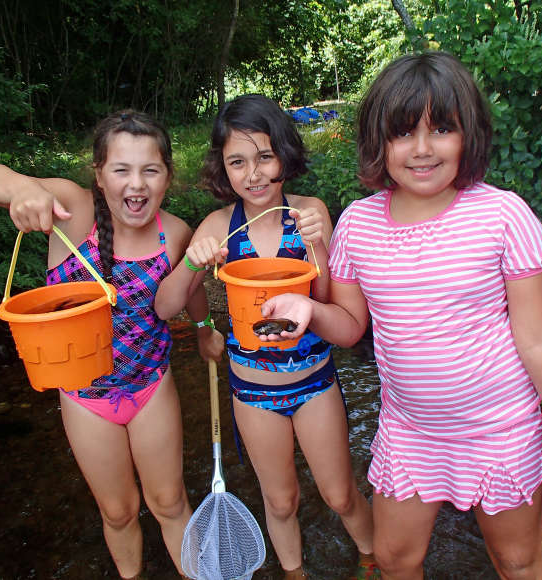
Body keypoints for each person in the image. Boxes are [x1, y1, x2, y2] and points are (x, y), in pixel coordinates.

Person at [257, 53, 542, 579]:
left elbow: (541, 339)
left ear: (467, 134)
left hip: (502, 430)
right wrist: (310, 309)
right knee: (395, 559)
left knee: (518, 562)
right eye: (404, 133)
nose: (422, 149)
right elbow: (352, 327)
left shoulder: (502, 214)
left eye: (442, 129)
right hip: (411, 431)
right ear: (378, 142)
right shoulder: (358, 225)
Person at [0, 110, 224, 580]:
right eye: (121, 169)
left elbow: (189, 286)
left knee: (169, 501)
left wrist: (204, 328)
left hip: (150, 386)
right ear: (99, 176)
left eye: (151, 169)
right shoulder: (72, 209)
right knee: (119, 512)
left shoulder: (176, 231)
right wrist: (22, 189)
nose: (135, 183)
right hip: (84, 398)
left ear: (167, 176)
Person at [154, 94, 378, 579]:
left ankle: (371, 557)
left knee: (338, 493)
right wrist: (194, 261)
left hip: (315, 382)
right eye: (238, 161)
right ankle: (294, 573)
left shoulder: (310, 211)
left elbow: (329, 301)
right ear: (223, 168)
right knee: (279, 502)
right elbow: (165, 307)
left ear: (284, 156)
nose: (253, 174)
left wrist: (319, 239)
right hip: (252, 392)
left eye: (264, 157)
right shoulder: (218, 226)